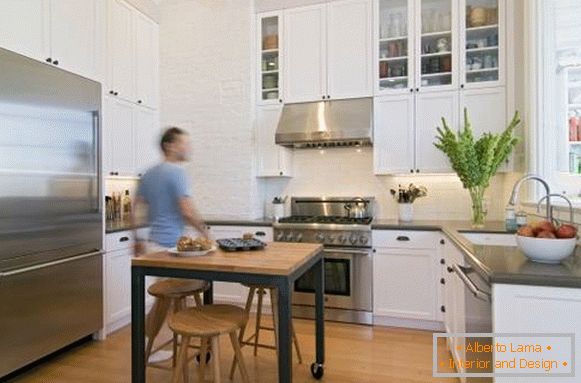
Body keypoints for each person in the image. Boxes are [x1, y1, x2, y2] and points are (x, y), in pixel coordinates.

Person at [131, 126, 209, 363]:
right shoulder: (175, 172)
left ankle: (180, 342)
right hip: (171, 249)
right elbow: (186, 209)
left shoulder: (149, 173)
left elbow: (135, 209)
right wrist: (205, 232)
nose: (188, 147)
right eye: (183, 143)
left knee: (171, 296)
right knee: (181, 291)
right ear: (169, 146)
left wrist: (137, 239)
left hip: (156, 244)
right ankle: (147, 347)